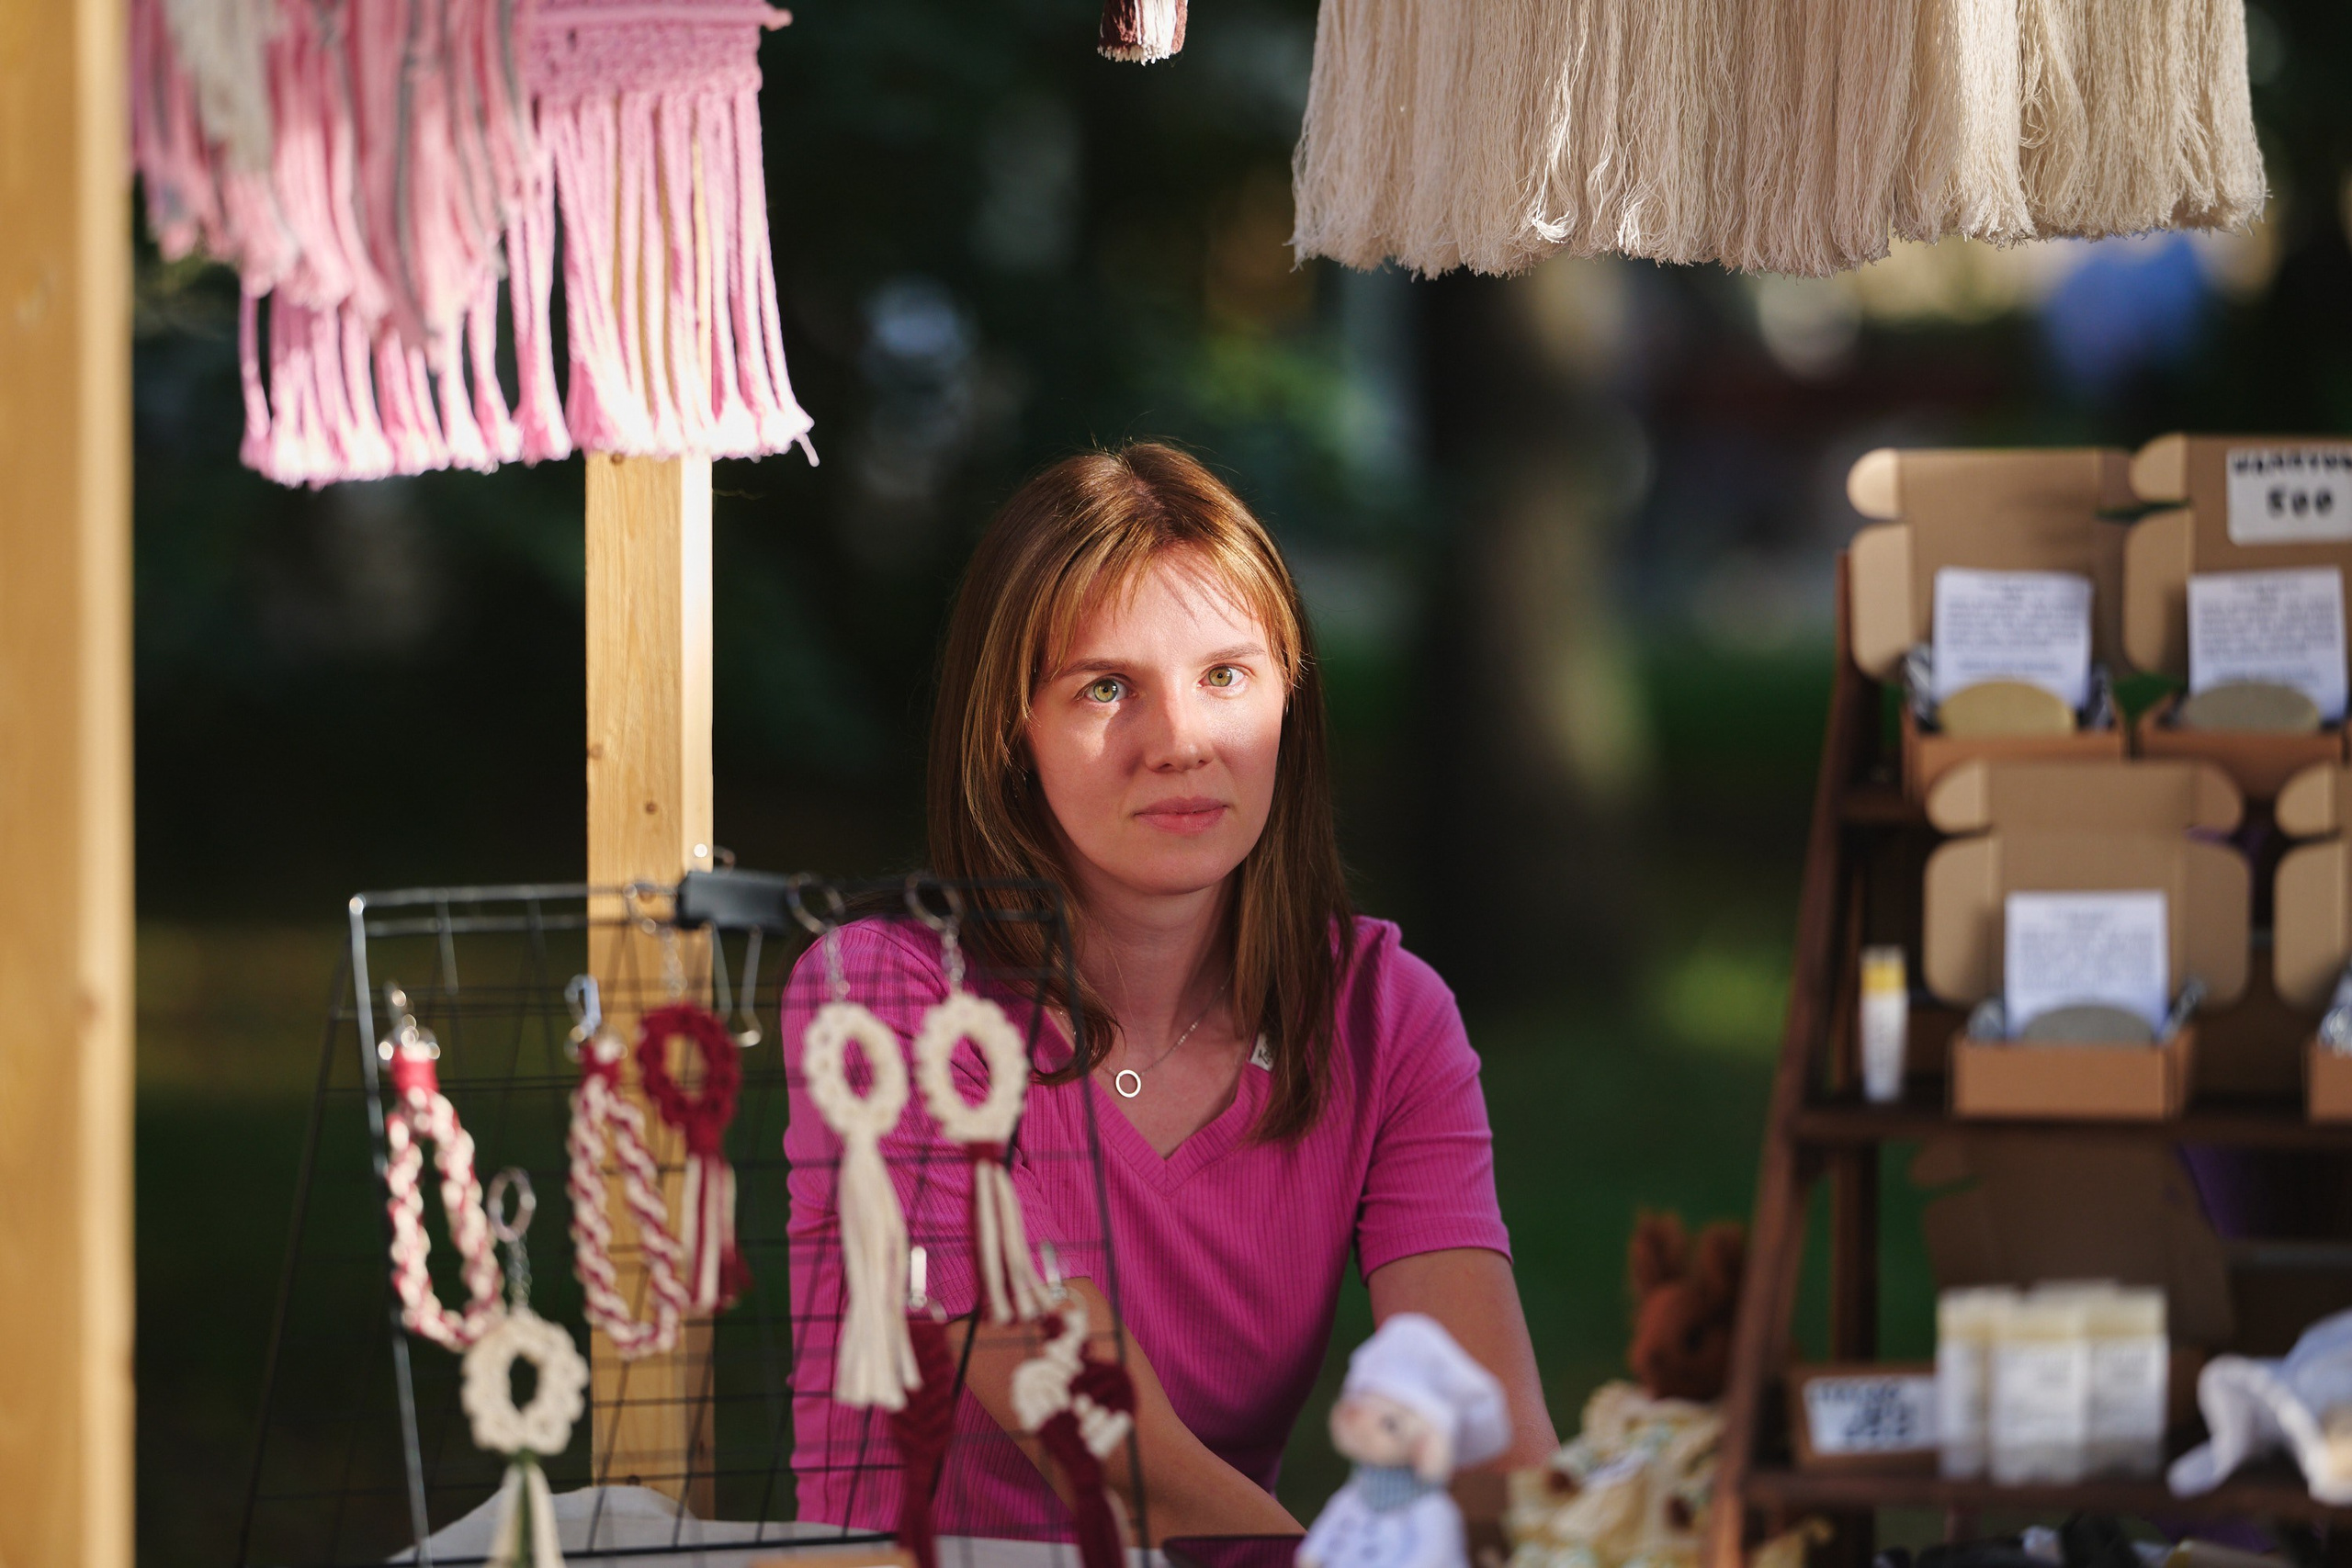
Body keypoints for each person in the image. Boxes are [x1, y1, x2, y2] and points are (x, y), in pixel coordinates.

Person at [781, 442, 1556, 1543]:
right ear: (1012, 732)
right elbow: (1102, 1438)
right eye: (1106, 688)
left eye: (1226, 676)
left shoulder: (1384, 1014)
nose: (1182, 742)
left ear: (1290, 696)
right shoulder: (886, 1001)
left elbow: (1487, 1439)